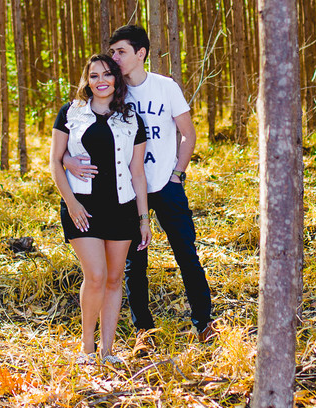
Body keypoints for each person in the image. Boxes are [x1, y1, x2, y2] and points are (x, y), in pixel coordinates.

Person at [66, 24, 214, 341]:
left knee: (187, 256)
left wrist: (177, 175)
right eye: (113, 51)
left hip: (166, 187)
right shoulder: (112, 92)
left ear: (140, 54)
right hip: (129, 193)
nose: (114, 58)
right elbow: (75, 136)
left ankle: (203, 323)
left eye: (121, 51)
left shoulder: (165, 88)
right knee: (134, 266)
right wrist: (67, 161)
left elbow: (188, 134)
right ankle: (143, 331)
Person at [49, 53, 152, 364]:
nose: (101, 81)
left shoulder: (132, 119)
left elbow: (137, 171)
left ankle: (108, 351)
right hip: (84, 207)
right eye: (94, 76)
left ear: (116, 79)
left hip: (122, 208)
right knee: (95, 275)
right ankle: (87, 348)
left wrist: (144, 219)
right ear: (87, 80)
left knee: (114, 277)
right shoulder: (70, 113)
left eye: (107, 74)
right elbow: (55, 161)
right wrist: (72, 203)